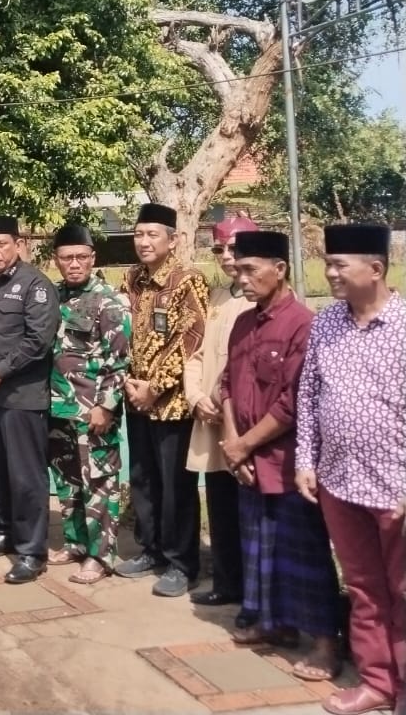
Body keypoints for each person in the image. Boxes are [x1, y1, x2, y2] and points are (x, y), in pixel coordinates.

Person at [218, 229, 342, 682]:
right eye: (238, 269)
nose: (242, 278)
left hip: (287, 463)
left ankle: (326, 644)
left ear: (281, 269)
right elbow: (226, 385)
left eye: (251, 270)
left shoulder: (303, 325)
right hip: (246, 461)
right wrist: (233, 443)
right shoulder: (242, 324)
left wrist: (246, 444)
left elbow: (293, 402)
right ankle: (274, 624)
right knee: (259, 548)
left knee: (304, 553)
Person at [296, 223, 404, 715]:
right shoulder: (327, 323)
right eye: (328, 264)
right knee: (364, 588)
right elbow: (308, 396)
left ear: (375, 268)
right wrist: (305, 460)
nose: (330, 273)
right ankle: (378, 682)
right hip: (340, 481)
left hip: (396, 487)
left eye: (340, 265)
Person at [117, 202, 209, 598]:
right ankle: (150, 549)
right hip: (135, 399)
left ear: (173, 240)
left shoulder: (188, 281)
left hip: (171, 405)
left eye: (152, 235)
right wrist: (128, 382)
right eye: (139, 234)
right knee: (142, 478)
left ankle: (181, 563)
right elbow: (121, 333)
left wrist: (154, 387)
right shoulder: (131, 279)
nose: (144, 242)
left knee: (176, 486)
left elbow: (191, 341)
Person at [0, 215, 59, 584]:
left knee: (26, 476)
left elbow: (39, 341)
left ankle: (31, 551)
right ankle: (2, 532)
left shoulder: (36, 284)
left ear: (18, 245)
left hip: (21, 396)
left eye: (2, 244)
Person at [46, 224, 131, 585]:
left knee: (98, 482)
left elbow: (121, 361)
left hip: (92, 410)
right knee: (67, 482)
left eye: (81, 257)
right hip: (58, 408)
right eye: (67, 257)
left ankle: (101, 555)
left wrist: (106, 406)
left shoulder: (108, 302)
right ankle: (76, 542)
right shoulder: (52, 297)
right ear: (57, 260)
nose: (74, 263)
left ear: (93, 258)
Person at [187, 217, 259, 619]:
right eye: (220, 249)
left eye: (235, 248)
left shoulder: (260, 300)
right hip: (212, 419)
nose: (227, 257)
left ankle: (255, 597)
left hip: (246, 427)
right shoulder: (217, 297)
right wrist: (197, 396)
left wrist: (220, 399)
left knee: (251, 514)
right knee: (220, 507)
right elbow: (197, 356)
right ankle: (227, 583)